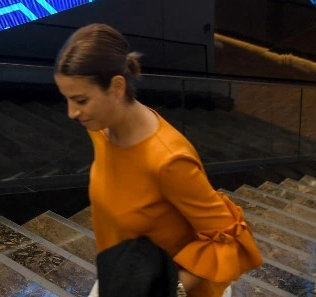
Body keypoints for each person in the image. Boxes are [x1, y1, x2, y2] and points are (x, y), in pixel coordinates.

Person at [53, 24, 262, 297]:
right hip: (123, 274)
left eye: (80, 99)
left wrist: (170, 289)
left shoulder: (169, 161)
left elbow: (230, 239)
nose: (71, 112)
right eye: (67, 99)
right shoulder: (101, 130)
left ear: (117, 86)